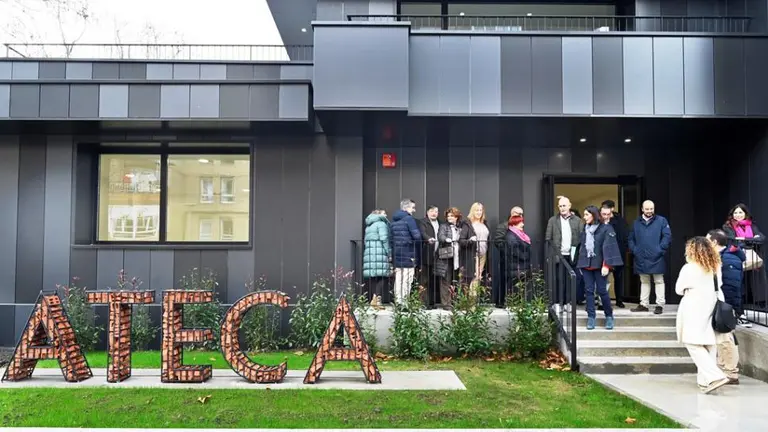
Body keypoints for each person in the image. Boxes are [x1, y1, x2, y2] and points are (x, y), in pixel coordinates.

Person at [674, 236, 730, 394]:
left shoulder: (689, 268)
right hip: (711, 304)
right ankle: (705, 382)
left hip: (694, 306)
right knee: (709, 343)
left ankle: (714, 376)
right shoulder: (715, 265)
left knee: (692, 342)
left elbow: (678, 289)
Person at [707, 229, 745, 384]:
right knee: (722, 338)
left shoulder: (729, 259)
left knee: (726, 338)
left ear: (715, 242)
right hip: (723, 303)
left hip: (726, 304)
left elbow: (731, 285)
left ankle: (730, 372)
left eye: (708, 240)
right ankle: (724, 369)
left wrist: (725, 305)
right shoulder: (722, 257)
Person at [576, 206, 623, 330]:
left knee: (602, 291)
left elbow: (609, 247)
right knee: (589, 291)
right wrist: (580, 264)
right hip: (586, 265)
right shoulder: (585, 229)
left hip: (600, 265)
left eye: (587, 214)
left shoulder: (606, 228)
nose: (584, 217)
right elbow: (582, 247)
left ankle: (609, 316)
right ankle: (591, 317)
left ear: (594, 215)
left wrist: (606, 265)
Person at [722, 203, 766, 316]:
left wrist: (744, 239)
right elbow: (732, 240)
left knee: (757, 279)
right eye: (735, 213)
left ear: (745, 214)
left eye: (740, 212)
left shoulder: (752, 226)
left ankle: (759, 302)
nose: (738, 215)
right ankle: (740, 309)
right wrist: (751, 240)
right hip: (737, 257)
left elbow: (761, 238)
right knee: (739, 283)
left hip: (752, 256)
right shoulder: (728, 226)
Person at [629, 200, 672, 315]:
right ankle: (644, 304)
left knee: (659, 280)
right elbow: (631, 239)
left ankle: (660, 305)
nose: (649, 211)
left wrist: (660, 249)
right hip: (641, 256)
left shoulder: (662, 221)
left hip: (657, 256)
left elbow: (667, 236)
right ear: (642, 209)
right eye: (647, 209)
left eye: (651, 209)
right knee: (644, 281)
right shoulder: (636, 222)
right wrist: (635, 250)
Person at [545, 196, 583, 304]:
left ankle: (568, 303)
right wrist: (549, 255)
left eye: (564, 206)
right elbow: (548, 239)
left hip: (572, 254)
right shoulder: (553, 220)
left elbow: (581, 238)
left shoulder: (578, 221)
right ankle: (558, 303)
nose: (562, 208)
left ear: (569, 206)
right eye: (560, 206)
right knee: (558, 280)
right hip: (558, 254)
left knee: (571, 280)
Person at [390, 199, 422, 303]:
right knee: (407, 278)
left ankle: (398, 301)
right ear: (406, 208)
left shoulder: (394, 220)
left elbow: (391, 237)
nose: (414, 210)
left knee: (399, 278)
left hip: (397, 252)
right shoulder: (409, 219)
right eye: (412, 207)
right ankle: (404, 302)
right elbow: (416, 236)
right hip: (409, 252)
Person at [601, 200, 628, 308]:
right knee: (603, 278)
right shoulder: (599, 221)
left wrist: (624, 250)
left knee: (618, 278)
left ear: (612, 209)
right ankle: (603, 301)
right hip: (604, 254)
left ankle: (619, 300)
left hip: (618, 253)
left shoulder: (620, 221)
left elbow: (625, 236)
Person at [435, 207, 463, 308]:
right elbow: (440, 236)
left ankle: (457, 302)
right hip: (446, 257)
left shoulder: (461, 226)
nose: (450, 218)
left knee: (457, 280)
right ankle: (446, 303)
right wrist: (447, 239)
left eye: (452, 216)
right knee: (445, 281)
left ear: (457, 217)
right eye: (448, 216)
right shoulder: (443, 226)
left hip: (458, 257)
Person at [362, 209, 392, 302]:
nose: (386, 215)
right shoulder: (381, 224)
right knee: (384, 276)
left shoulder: (369, 226)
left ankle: (374, 298)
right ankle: (377, 297)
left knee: (374, 277)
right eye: (384, 213)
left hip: (370, 253)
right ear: (379, 215)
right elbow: (384, 239)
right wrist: (389, 252)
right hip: (380, 252)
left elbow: (365, 241)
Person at [417, 205, 441, 308]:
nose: (434, 213)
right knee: (423, 279)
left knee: (433, 280)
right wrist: (428, 239)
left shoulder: (440, 223)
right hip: (426, 254)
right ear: (427, 212)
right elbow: (422, 233)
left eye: (436, 211)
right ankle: (422, 303)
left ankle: (431, 302)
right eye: (432, 211)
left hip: (437, 255)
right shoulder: (423, 222)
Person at [505, 214, 532, 298]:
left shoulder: (519, 234)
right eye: (520, 222)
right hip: (516, 266)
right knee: (515, 287)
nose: (523, 224)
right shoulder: (511, 235)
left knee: (521, 287)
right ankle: (512, 304)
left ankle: (518, 304)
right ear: (514, 223)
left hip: (521, 266)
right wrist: (525, 256)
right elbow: (514, 250)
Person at [468, 202, 490, 295]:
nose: (479, 212)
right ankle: (471, 303)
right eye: (477, 210)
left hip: (483, 253)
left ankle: (474, 301)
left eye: (481, 210)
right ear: (473, 211)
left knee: (479, 276)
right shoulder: (469, 223)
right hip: (474, 252)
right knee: (475, 276)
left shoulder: (484, 223)